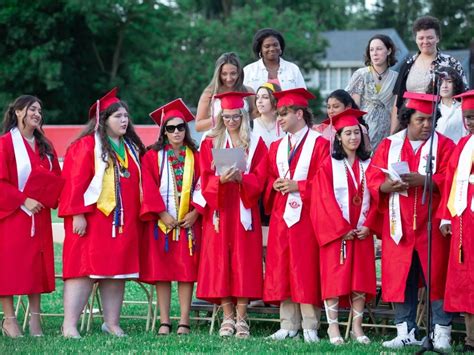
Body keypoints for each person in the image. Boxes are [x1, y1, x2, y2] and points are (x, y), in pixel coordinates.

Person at [366, 92, 455, 350]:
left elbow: (452, 178)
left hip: (433, 224)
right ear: (407, 120)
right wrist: (387, 186)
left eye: (430, 120)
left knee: (436, 277)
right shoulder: (389, 145)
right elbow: (373, 178)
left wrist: (426, 180)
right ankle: (405, 331)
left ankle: (441, 332)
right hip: (399, 225)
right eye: (420, 120)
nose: (427, 125)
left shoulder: (445, 145)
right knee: (401, 277)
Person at [59, 88, 145, 338]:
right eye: (117, 116)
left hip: (122, 222)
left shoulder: (130, 147)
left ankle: (112, 323)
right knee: (84, 269)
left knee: (116, 272)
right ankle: (69, 325)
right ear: (103, 120)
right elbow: (74, 181)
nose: (124, 120)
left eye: (126, 116)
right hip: (92, 220)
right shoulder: (85, 146)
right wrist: (77, 214)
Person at [196, 91, 268, 338]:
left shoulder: (257, 142)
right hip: (219, 211)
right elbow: (203, 179)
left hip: (243, 211)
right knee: (221, 262)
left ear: (243, 115)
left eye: (235, 116)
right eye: (226, 116)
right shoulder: (210, 142)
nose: (231, 121)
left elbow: (261, 177)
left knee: (244, 262)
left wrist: (242, 179)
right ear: (220, 117)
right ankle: (227, 317)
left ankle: (242, 318)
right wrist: (219, 180)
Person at [263, 88, 329, 343]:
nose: (278, 118)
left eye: (283, 114)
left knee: (305, 267)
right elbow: (269, 176)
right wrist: (276, 184)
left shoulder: (320, 143)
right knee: (282, 267)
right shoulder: (277, 146)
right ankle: (288, 324)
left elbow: (326, 182)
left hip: (308, 216)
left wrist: (298, 186)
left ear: (299, 114)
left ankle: (311, 325)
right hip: (282, 215)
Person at [310, 108, 376, 345]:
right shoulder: (328, 166)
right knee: (334, 281)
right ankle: (333, 329)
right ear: (338, 137)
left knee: (360, 279)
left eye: (356, 132)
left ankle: (357, 328)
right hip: (337, 235)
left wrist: (369, 225)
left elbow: (378, 199)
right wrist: (340, 228)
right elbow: (322, 200)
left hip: (362, 232)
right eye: (347, 133)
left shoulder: (370, 164)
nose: (353, 138)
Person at [0, 96, 63, 338]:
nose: (37, 113)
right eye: (32, 109)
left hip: (40, 215)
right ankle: (9, 320)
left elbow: (55, 177)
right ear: (17, 112)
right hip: (13, 216)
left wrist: (50, 195)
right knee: (9, 267)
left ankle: (36, 321)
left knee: (35, 267)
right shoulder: (6, 144)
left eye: (40, 110)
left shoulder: (45, 146)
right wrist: (23, 199)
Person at [139, 99, 201, 336]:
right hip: (161, 225)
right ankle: (165, 320)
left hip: (188, 224)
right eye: (170, 128)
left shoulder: (196, 155)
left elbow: (204, 185)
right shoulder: (152, 156)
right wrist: (161, 213)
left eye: (181, 127)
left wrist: (196, 212)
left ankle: (184, 320)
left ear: (186, 129)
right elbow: (148, 186)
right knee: (162, 272)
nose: (176, 132)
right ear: (163, 132)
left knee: (186, 272)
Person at [438, 90, 474, 352]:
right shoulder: (462, 146)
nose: (470, 122)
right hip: (463, 219)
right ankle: (471, 338)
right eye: (467, 118)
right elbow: (450, 182)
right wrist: (445, 217)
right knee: (465, 276)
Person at [391, 15, 468, 133]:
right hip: (410, 126)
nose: (425, 42)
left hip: (441, 125)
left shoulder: (451, 63)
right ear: (416, 39)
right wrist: (392, 133)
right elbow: (398, 103)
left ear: (437, 38)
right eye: (421, 38)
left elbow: (463, 97)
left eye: (430, 37)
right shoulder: (407, 64)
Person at [346, 34, 398, 149]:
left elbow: (397, 108)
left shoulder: (396, 78)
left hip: (386, 131)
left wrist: (393, 134)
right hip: (363, 130)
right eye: (371, 49)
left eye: (379, 49)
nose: (374, 53)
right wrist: (358, 131)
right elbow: (354, 107)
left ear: (389, 51)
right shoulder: (361, 75)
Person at [195, 52, 255, 134]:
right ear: (218, 74)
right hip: (217, 141)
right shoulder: (209, 93)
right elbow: (198, 126)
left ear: (239, 73)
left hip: (243, 140)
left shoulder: (248, 91)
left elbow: (256, 115)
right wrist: (221, 118)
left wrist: (241, 118)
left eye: (233, 73)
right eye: (224, 74)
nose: (229, 78)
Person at [426, 67, 467, 143]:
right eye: (441, 81)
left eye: (449, 81)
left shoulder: (462, 107)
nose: (444, 86)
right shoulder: (432, 109)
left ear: (455, 84)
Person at [252, 82, 285, 148]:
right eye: (257, 97)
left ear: (275, 101)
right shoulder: (251, 125)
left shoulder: (284, 124)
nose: (259, 101)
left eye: (265, 97)